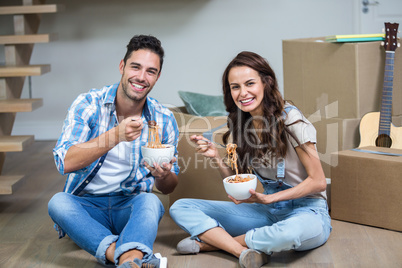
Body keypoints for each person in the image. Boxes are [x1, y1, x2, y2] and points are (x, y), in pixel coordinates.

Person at [169, 51, 332, 268]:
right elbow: (239, 181)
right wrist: (216, 157)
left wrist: (271, 199)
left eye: (249, 84)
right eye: (235, 87)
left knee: (288, 233)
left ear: (266, 82)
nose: (242, 93)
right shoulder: (240, 126)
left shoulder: (291, 119)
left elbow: (319, 181)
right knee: (181, 206)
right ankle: (243, 249)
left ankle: (211, 244)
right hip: (267, 211)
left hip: (308, 210)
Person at [48, 35, 179, 268]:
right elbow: (65, 162)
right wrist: (115, 135)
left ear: (157, 77)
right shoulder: (89, 104)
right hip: (87, 208)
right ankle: (127, 256)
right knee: (58, 203)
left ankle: (117, 254)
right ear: (122, 66)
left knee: (151, 202)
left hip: (128, 207)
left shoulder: (164, 118)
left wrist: (163, 175)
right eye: (135, 67)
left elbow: (168, 187)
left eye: (151, 71)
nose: (141, 77)